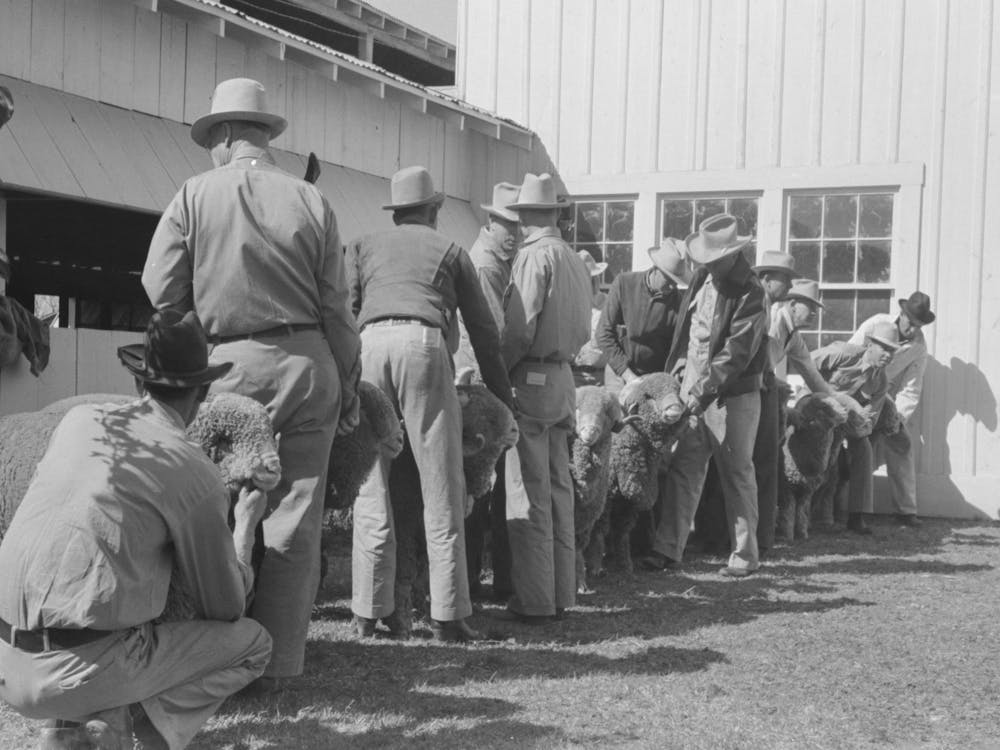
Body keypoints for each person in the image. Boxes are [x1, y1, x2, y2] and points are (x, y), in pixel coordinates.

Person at [142, 78, 361, 689]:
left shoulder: (192, 194)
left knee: (210, 513)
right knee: (294, 523)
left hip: (224, 368)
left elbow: (161, 290)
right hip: (307, 362)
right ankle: (277, 668)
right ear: (266, 137)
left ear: (223, 136)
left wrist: (196, 334)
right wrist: (345, 373)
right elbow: (337, 307)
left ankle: (211, 658)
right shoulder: (311, 200)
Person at [0, 311, 272, 750]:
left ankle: (73, 726)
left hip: (6, 662)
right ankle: (126, 733)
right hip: (74, 672)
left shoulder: (79, 420)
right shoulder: (194, 470)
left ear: (138, 383)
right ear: (201, 393)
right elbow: (225, 608)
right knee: (253, 643)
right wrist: (244, 526)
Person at [345, 165, 514, 642]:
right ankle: (448, 614)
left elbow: (346, 312)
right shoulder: (451, 251)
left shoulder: (361, 246)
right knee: (442, 483)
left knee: (371, 482)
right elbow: (483, 331)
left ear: (396, 211)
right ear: (435, 209)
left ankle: (367, 610)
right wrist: (502, 399)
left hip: (370, 343)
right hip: (422, 343)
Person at [640, 213, 768, 578]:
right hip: (693, 388)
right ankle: (667, 549)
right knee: (686, 467)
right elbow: (691, 331)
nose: (708, 267)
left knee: (737, 472)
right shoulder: (702, 278)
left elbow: (736, 353)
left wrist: (702, 392)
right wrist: (680, 368)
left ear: (733, 255)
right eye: (705, 261)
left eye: (714, 260)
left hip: (734, 396)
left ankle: (745, 556)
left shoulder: (752, 292)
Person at [501, 172, 591, 621]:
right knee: (559, 489)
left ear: (524, 218)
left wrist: (500, 369)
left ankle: (535, 599)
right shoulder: (574, 259)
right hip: (564, 378)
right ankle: (562, 592)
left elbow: (519, 329)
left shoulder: (533, 258)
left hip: (532, 377)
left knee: (528, 491)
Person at [456, 181, 521, 602]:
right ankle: (472, 580)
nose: (514, 233)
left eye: (518, 225)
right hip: (479, 386)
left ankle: (480, 577)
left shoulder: (497, 262)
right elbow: (493, 336)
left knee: (485, 485)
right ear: (490, 222)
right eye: (506, 224)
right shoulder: (485, 265)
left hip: (483, 381)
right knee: (479, 484)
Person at [847, 292, 935, 525]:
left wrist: (897, 419)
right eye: (911, 323)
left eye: (919, 326)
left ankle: (906, 511)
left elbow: (911, 388)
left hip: (882, 395)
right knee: (853, 447)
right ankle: (837, 508)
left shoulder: (919, 346)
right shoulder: (877, 324)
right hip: (855, 388)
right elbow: (850, 354)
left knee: (902, 441)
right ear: (902, 315)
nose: (914, 330)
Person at [812, 321, 900, 534]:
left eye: (892, 351)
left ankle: (857, 516)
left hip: (848, 417)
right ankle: (812, 513)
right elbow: (806, 362)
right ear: (870, 344)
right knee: (824, 449)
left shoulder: (880, 381)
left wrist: (857, 428)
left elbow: (867, 420)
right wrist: (824, 394)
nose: (888, 355)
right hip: (816, 407)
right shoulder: (843, 353)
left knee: (863, 449)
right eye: (884, 348)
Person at [597, 240, 688, 392]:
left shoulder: (678, 303)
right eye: (669, 279)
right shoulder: (624, 284)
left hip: (654, 377)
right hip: (618, 372)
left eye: (676, 282)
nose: (672, 286)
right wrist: (628, 375)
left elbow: (679, 349)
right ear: (656, 269)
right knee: (618, 415)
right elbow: (603, 334)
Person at [571, 249, 610, 387]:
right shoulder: (567, 305)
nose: (594, 282)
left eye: (595, 277)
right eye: (589, 279)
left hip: (602, 376)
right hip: (573, 375)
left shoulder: (609, 303)